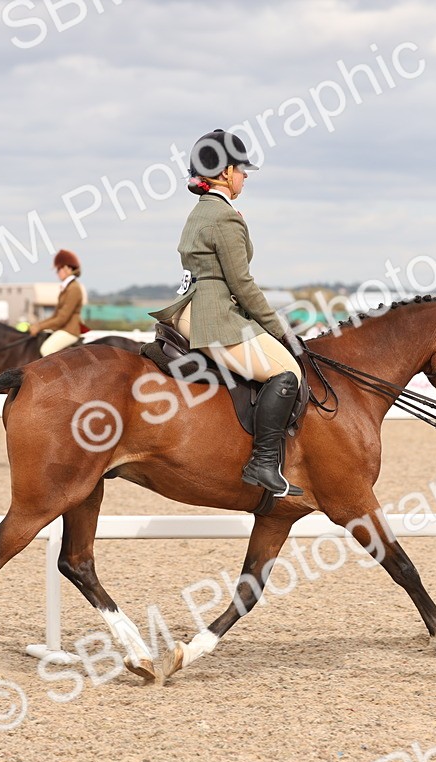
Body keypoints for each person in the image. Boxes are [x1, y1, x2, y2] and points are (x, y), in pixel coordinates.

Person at [150, 128, 303, 497]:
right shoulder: (224, 216)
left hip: (194, 308)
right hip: (213, 317)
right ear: (223, 173)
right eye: (241, 169)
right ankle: (264, 462)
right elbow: (242, 285)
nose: (245, 176)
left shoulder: (204, 210)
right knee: (287, 371)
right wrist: (279, 329)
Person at [29, 250, 86, 356]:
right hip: (62, 329)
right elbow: (55, 315)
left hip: (69, 331)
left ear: (68, 268)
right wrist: (38, 324)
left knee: (46, 350)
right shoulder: (66, 288)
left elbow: (62, 318)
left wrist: (40, 327)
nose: (57, 272)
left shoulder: (73, 288)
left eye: (59, 269)